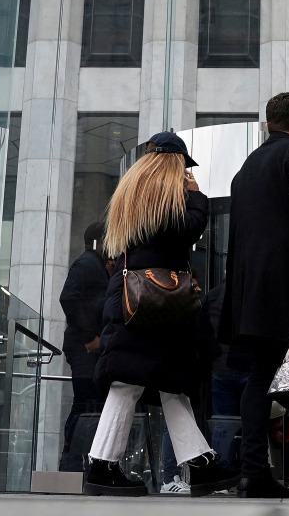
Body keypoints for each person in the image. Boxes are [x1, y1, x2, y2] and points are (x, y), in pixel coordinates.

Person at [84, 131, 238, 497]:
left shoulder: (134, 193)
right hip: (156, 302)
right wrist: (197, 196)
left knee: (168, 383)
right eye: (183, 166)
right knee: (132, 383)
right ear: (174, 164)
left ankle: (199, 464)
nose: (186, 172)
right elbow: (185, 230)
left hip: (140, 299)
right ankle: (102, 467)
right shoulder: (165, 198)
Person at [220, 92, 289, 499]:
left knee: (260, 378)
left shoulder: (244, 170)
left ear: (268, 122)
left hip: (253, 294)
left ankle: (253, 469)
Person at [59, 220, 113, 472]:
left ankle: (75, 462)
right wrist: (89, 337)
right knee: (85, 404)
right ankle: (72, 463)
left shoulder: (94, 264)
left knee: (87, 404)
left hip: (86, 347)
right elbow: (68, 297)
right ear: (100, 241)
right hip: (85, 348)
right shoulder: (88, 263)